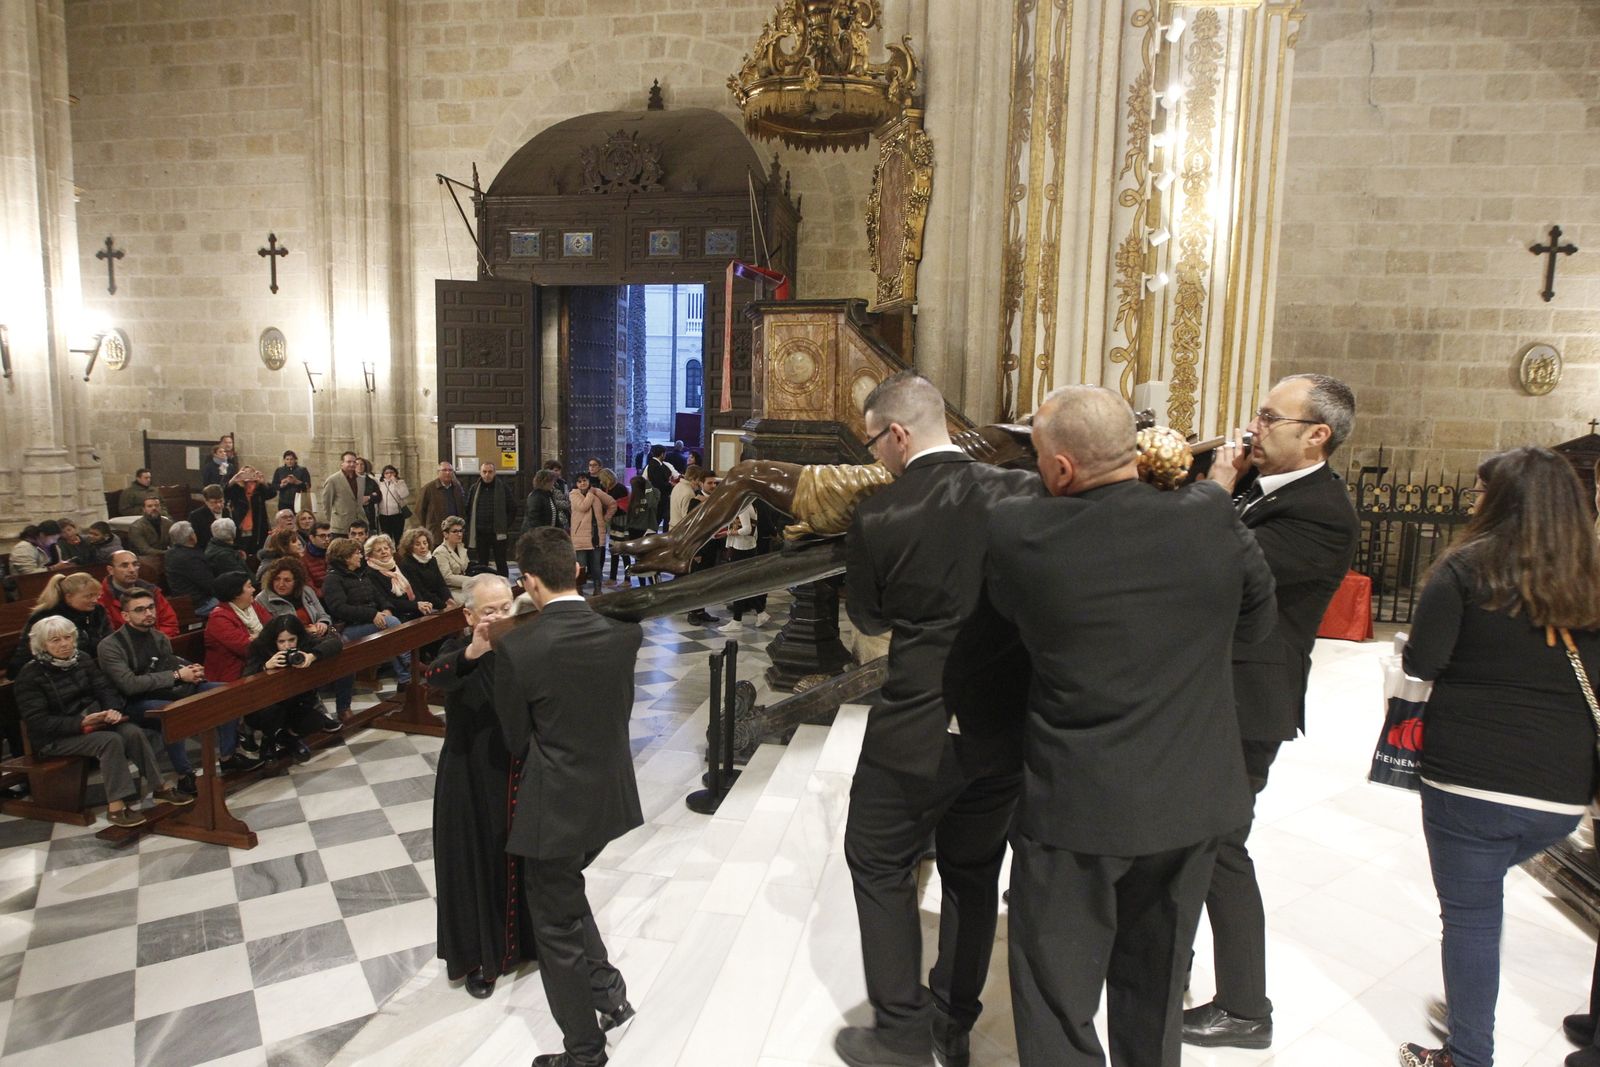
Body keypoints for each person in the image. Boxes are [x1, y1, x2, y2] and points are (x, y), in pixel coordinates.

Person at [985, 385, 1275, 1067]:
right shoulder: (1209, 513)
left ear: (1058, 469)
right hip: (1191, 800)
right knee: (1155, 985)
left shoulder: (1021, 532)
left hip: (1078, 806)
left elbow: (1007, 621)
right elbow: (1257, 624)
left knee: (1057, 995)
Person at [833, 372, 1041, 1067]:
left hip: (919, 721)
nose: (875, 459)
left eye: (873, 444)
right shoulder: (1020, 491)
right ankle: (954, 1015)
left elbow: (868, 615)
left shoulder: (880, 514)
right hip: (1006, 725)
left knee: (878, 855)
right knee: (974, 869)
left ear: (898, 433)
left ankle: (900, 1029)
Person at [1392, 447, 1600, 1067]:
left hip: (1470, 778)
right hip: (1561, 792)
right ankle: (1465, 1008)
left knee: (1472, 916)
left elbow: (1423, 663)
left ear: (1501, 500)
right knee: (1479, 902)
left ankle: (1468, 1052)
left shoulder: (1466, 567)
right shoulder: (1591, 577)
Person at [1183, 373, 1361, 1050]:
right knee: (1195, 840)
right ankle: (1178, 967)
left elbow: (1225, 567)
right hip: (1219, 695)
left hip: (1249, 704)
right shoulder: (1271, 490)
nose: (1253, 426)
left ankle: (1245, 1007)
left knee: (1221, 844)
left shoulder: (1323, 511)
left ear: (1317, 434)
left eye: (1269, 416)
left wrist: (1217, 488)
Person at [495, 528, 642, 1066]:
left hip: (555, 808)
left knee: (554, 924)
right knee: (565, 890)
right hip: (611, 797)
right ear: (577, 569)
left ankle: (583, 1053)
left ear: (528, 581)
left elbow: (515, 739)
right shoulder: (624, 634)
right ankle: (608, 993)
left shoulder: (517, 646)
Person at [423, 573, 533, 998]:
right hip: (469, 775)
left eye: (506, 607)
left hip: (516, 770)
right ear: (469, 614)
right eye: (491, 611)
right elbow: (436, 676)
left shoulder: (523, 643)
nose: (501, 616)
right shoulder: (458, 651)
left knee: (520, 858)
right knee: (473, 865)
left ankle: (523, 944)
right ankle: (479, 960)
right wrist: (476, 648)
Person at [15, 616, 191, 827]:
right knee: (110, 741)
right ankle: (116, 807)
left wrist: (112, 710)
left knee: (132, 732)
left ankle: (160, 788)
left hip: (92, 722)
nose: (64, 644)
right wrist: (79, 723)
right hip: (55, 737)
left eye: (67, 638)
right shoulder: (30, 675)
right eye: (55, 640)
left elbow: (105, 689)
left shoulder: (82, 659)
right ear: (42, 645)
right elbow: (37, 721)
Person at [98, 586, 227, 796]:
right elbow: (129, 685)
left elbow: (169, 666)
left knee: (223, 692)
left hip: (167, 692)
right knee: (172, 711)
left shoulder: (159, 637)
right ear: (125, 615)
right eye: (140, 610)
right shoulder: (110, 646)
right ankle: (185, 775)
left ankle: (228, 757)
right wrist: (177, 676)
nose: (148, 613)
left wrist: (191, 671)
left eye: (151, 607)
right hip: (133, 703)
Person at [244, 615, 343, 763]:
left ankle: (289, 737)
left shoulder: (305, 643)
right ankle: (269, 741)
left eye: (291, 640)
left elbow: (335, 643)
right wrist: (265, 667)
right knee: (272, 712)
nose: (287, 646)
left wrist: (311, 656)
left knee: (315, 722)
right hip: (267, 706)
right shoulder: (260, 647)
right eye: (281, 641)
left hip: (296, 702)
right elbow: (246, 678)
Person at [321, 537, 409, 700]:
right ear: (346, 557)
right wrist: (372, 614)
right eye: (357, 553)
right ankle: (408, 670)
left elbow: (378, 596)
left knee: (392, 624)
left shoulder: (360, 574)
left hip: (369, 621)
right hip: (348, 629)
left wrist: (386, 608)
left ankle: (406, 679)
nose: (361, 556)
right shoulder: (333, 579)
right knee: (393, 624)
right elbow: (339, 609)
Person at [200, 571, 270, 770]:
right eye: (248, 586)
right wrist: (261, 638)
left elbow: (273, 627)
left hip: (255, 666)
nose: (253, 589)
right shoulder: (219, 617)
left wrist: (259, 638)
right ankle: (228, 756)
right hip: (228, 675)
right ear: (235, 593)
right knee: (231, 698)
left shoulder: (253, 606)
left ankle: (280, 734)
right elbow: (245, 647)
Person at [7, 572, 114, 678]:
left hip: (91, 666)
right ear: (68, 597)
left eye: (97, 595)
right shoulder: (46, 618)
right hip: (55, 673)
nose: (95, 600)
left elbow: (108, 638)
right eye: (88, 596)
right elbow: (31, 652)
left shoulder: (98, 611)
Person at [98, 549, 179, 636]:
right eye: (124, 565)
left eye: (135, 564)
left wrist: (156, 641)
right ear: (111, 570)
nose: (132, 570)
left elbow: (170, 624)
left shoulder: (152, 591)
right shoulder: (102, 598)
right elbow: (110, 635)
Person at [719, 498, 769, 631]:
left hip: (741, 549)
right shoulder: (747, 506)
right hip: (745, 547)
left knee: (739, 585)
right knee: (743, 585)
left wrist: (728, 533)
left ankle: (738, 620)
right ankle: (758, 613)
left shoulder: (743, 507)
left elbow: (747, 529)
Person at [256, 557, 334, 639]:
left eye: (287, 580)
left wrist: (322, 623)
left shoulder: (306, 591)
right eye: (277, 579)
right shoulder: (261, 600)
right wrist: (305, 631)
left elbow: (323, 615)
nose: (281, 584)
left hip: (317, 635)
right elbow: (270, 632)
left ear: (296, 582)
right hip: (289, 642)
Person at [568, 472, 617, 598]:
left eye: (585, 480)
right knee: (581, 565)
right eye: (579, 481)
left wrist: (605, 519)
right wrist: (590, 493)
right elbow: (583, 507)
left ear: (589, 481)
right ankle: (579, 589)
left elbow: (612, 503)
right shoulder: (574, 494)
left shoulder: (597, 492)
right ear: (576, 484)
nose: (583, 483)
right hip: (580, 535)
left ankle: (597, 588)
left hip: (596, 534)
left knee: (596, 564)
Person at [464, 462, 514, 576]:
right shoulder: (474, 488)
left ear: (494, 473)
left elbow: (512, 508)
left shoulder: (503, 488)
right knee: (482, 562)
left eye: (490, 472)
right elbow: (468, 508)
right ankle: (484, 586)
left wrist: (505, 525)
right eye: (484, 472)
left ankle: (504, 585)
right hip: (481, 533)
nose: (487, 475)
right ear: (480, 473)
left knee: (501, 562)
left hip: (498, 533)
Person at [163, 521, 217, 616]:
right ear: (191, 537)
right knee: (236, 602)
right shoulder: (191, 558)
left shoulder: (170, 553)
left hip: (184, 601)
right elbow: (209, 584)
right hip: (200, 604)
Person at [399, 527, 457, 612]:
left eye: (425, 543)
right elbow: (421, 591)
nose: (422, 547)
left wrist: (448, 598)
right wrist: (443, 605)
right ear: (410, 547)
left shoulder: (432, 560)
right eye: (418, 544)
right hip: (422, 603)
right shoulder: (407, 564)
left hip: (437, 600)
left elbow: (441, 584)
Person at [618, 474, 660, 585]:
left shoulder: (654, 492)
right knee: (638, 560)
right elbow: (630, 515)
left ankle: (654, 584)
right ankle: (642, 585)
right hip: (635, 530)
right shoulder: (633, 496)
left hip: (648, 530)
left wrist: (648, 485)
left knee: (651, 560)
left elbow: (652, 504)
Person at [224, 465, 272, 553]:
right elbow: (225, 493)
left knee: (256, 549)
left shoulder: (259, 488)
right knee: (241, 548)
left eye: (250, 473)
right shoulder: (237, 488)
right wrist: (233, 480)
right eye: (245, 473)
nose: (248, 475)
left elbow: (272, 494)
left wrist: (263, 482)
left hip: (258, 524)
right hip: (241, 522)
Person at [419, 460, 468, 547]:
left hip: (454, 532)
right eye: (444, 470)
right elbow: (420, 510)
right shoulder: (429, 488)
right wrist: (426, 528)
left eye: (450, 470)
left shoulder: (457, 488)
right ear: (438, 472)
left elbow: (462, 508)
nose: (448, 473)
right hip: (436, 532)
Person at [319, 451, 366, 534]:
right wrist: (333, 521)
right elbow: (326, 503)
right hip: (340, 526)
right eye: (348, 462)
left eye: (354, 462)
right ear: (342, 463)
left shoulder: (361, 479)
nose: (352, 464)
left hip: (359, 525)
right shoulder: (332, 480)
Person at [433, 516, 471, 592]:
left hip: (465, 586)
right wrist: (472, 581)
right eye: (455, 531)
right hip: (450, 590)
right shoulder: (440, 552)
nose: (459, 534)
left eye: (460, 531)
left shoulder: (461, 548)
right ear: (445, 534)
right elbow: (447, 578)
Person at [376, 464, 412, 542]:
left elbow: (404, 494)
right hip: (383, 515)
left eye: (391, 472)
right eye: (386, 473)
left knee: (398, 537)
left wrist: (396, 483)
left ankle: (398, 553)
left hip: (397, 514)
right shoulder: (380, 484)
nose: (389, 475)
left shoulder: (400, 482)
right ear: (383, 475)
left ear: (395, 473)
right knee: (386, 537)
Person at [644, 444, 674, 530]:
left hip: (658, 496)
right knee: (657, 519)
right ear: (662, 454)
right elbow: (659, 483)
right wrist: (670, 485)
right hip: (660, 497)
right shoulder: (656, 466)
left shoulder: (654, 464)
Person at [189, 484, 227, 548]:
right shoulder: (195, 516)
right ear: (206, 501)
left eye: (221, 501)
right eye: (214, 502)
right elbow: (195, 542)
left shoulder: (228, 512)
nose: (219, 505)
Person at [302, 522, 333, 593]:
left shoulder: (334, 553)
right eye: (322, 536)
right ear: (312, 538)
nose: (327, 539)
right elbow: (309, 587)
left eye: (329, 535)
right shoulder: (304, 558)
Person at [356, 457, 382, 527]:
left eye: (362, 464)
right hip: (353, 514)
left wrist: (369, 497)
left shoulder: (371, 481)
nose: (359, 466)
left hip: (368, 513)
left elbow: (379, 496)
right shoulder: (348, 480)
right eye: (357, 464)